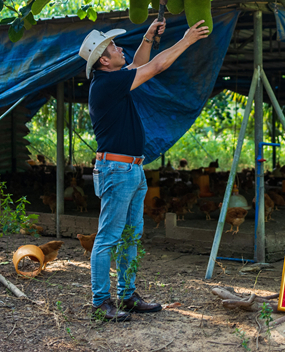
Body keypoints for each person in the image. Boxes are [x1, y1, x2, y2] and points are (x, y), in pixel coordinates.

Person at [78, 17, 210, 321]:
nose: (118, 47)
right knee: (109, 238)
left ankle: (126, 297)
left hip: (131, 170)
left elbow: (138, 63)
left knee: (130, 236)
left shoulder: (112, 79)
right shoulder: (107, 84)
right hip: (117, 170)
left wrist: (149, 37)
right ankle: (101, 302)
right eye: (112, 46)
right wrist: (187, 40)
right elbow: (154, 68)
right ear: (103, 61)